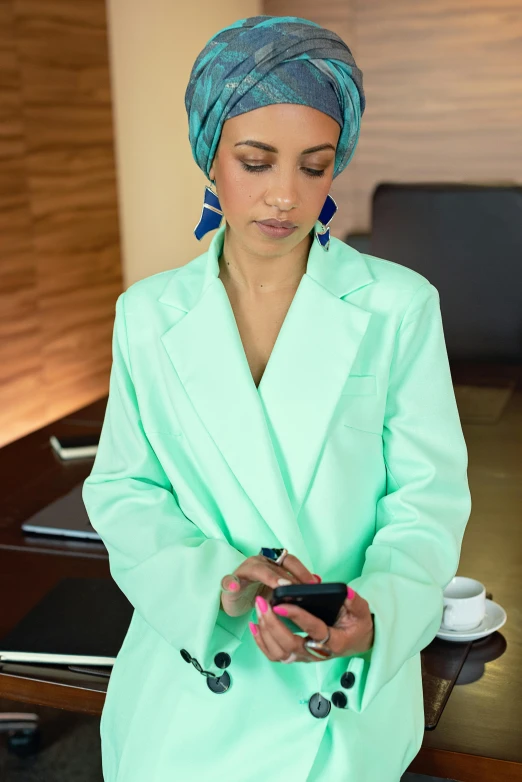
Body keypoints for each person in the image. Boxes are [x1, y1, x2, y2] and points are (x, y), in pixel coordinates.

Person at [82, 15, 472, 782]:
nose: (284, 197)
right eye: (255, 162)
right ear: (211, 156)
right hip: (189, 692)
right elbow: (125, 490)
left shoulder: (399, 306)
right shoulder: (147, 314)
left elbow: (427, 502)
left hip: (334, 700)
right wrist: (217, 584)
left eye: (315, 166)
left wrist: (379, 614)